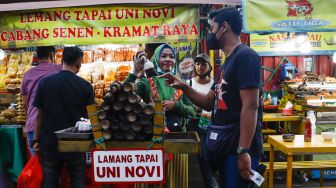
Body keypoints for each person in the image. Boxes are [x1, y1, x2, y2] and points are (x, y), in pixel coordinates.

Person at [159, 8, 263, 188]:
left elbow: (251, 107)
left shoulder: (246, 57)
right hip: (226, 146)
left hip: (239, 148)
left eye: (211, 27)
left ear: (224, 27)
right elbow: (208, 102)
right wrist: (183, 86)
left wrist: (243, 150)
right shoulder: (224, 65)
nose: (209, 33)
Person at [125, 43, 196, 188]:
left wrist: (176, 105)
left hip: (177, 142)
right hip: (149, 144)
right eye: (163, 56)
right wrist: (134, 72)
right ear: (156, 59)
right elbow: (125, 98)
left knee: (175, 182)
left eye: (171, 56)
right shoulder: (146, 82)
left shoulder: (181, 83)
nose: (168, 59)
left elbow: (193, 111)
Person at [33, 46, 95, 188]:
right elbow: (92, 116)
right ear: (79, 62)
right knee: (78, 181)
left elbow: (38, 115)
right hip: (76, 144)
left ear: (61, 60)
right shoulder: (85, 86)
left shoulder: (45, 82)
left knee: (50, 181)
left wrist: (36, 139)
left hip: (50, 143)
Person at [21, 46, 61, 156]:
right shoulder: (59, 70)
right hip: (55, 125)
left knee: (37, 164)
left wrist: (29, 119)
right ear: (52, 55)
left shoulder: (27, 75)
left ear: (37, 57)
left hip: (33, 125)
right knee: (54, 165)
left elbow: (25, 103)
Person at [190, 53, 217, 188]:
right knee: (197, 157)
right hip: (192, 124)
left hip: (209, 125)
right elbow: (185, 103)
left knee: (208, 156)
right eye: (198, 64)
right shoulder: (189, 84)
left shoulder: (214, 85)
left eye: (204, 64)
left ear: (210, 67)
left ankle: (211, 182)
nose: (200, 67)